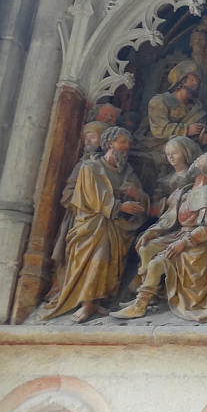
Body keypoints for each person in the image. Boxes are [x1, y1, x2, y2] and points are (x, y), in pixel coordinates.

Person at [40, 127, 148, 323]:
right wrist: (120, 205)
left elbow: (140, 196)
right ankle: (86, 303)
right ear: (109, 143)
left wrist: (137, 196)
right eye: (122, 142)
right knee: (97, 256)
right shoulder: (90, 167)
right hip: (92, 225)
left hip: (116, 226)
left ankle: (98, 300)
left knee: (109, 262)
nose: (126, 147)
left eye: (128, 144)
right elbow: (93, 198)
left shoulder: (127, 172)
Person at [125, 143, 207, 323]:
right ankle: (150, 293)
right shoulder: (186, 190)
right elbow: (168, 219)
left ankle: (140, 304)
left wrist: (184, 243)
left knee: (156, 263)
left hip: (201, 243)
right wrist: (152, 232)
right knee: (146, 247)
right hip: (179, 234)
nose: (197, 160)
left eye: (202, 159)